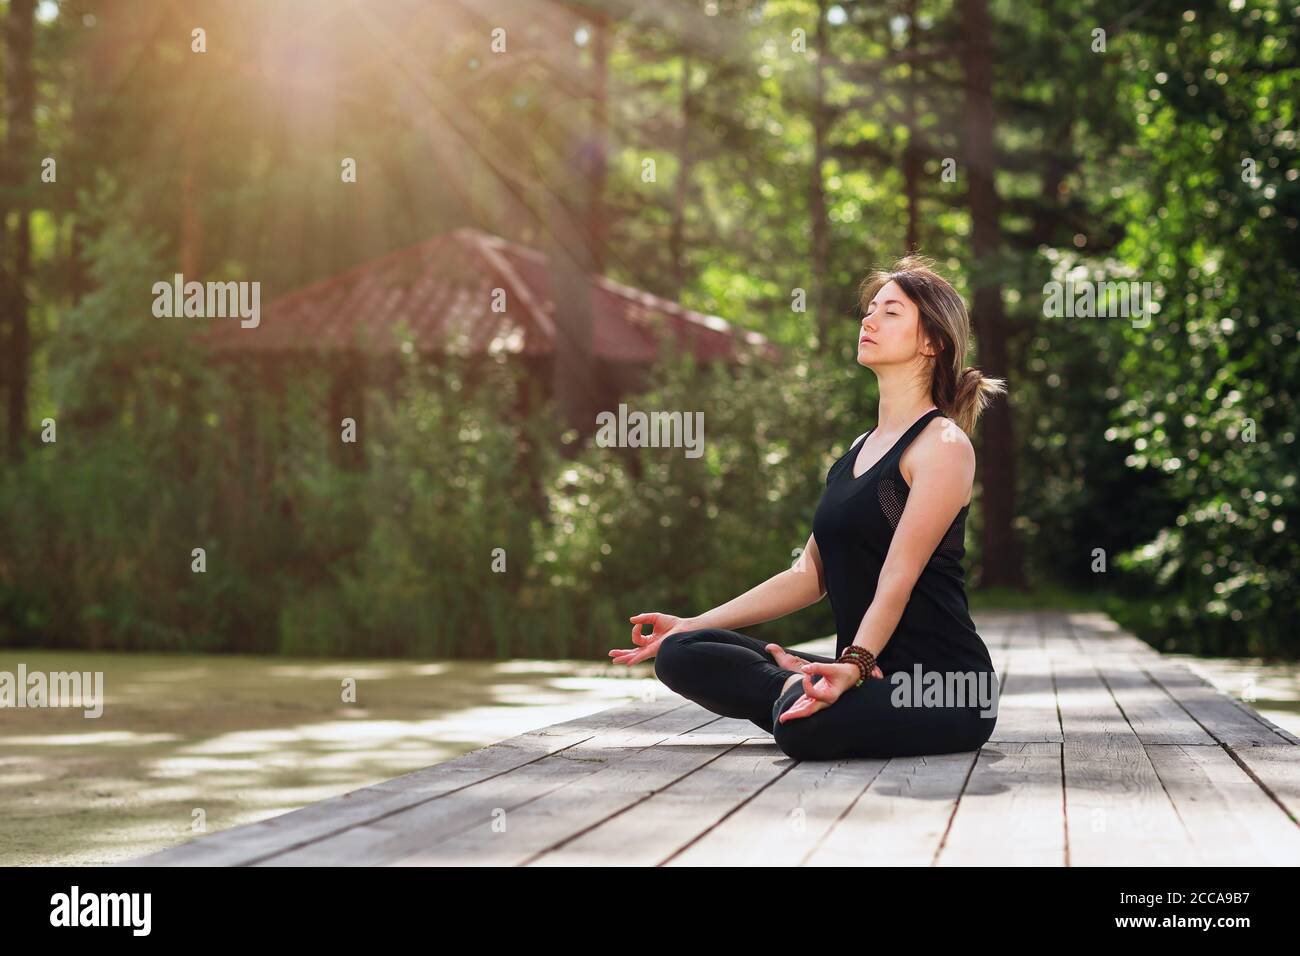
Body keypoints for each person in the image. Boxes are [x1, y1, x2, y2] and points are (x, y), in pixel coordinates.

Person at [609, 255, 1007, 761]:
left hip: (942, 688)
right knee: (682, 653)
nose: (868, 319)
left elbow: (897, 577)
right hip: (862, 672)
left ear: (932, 341)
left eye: (891, 312)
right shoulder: (857, 452)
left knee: (803, 733)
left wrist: (856, 663)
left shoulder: (941, 445)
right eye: (869, 310)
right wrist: (692, 622)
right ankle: (797, 688)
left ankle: (800, 692)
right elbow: (807, 576)